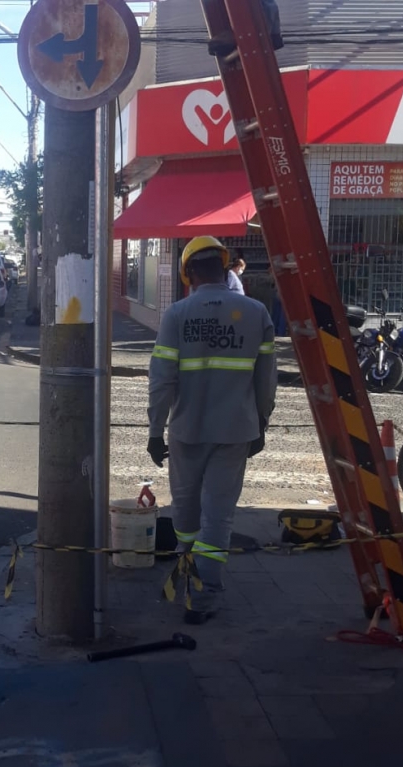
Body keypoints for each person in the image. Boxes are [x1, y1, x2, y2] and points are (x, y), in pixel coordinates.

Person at [147, 236, 276, 625]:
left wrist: (155, 430)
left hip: (187, 431)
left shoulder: (176, 315)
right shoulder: (256, 313)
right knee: (218, 516)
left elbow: (161, 380)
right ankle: (204, 597)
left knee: (185, 511)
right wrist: (262, 424)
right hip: (236, 431)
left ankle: (190, 571)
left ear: (189, 274)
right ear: (225, 267)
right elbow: (266, 382)